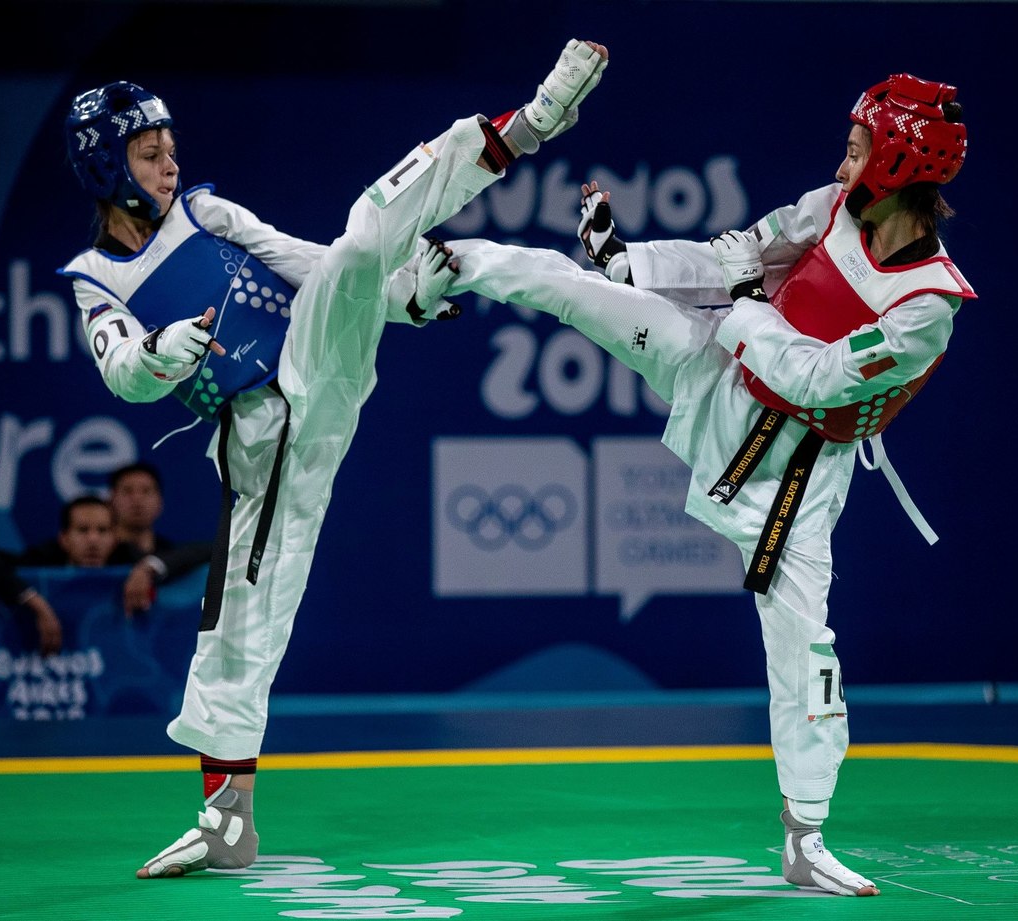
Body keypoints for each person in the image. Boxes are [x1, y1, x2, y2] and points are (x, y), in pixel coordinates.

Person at [57, 39, 609, 878]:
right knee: (241, 620)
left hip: (309, 366)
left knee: (357, 248)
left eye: (170, 145)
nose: (170, 161)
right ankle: (226, 818)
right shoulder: (95, 277)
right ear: (107, 167)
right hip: (256, 439)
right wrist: (163, 351)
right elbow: (123, 370)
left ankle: (529, 123)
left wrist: (400, 299)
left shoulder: (206, 213)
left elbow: (310, 265)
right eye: (149, 150)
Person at [438, 73, 973, 896]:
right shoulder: (830, 209)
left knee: (807, 656)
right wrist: (629, 262)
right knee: (572, 290)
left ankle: (806, 836)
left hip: (794, 478)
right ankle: (440, 262)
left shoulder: (928, 303)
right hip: (714, 370)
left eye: (859, 148)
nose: (843, 163)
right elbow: (734, 260)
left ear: (899, 164)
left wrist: (753, 302)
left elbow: (821, 379)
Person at [0, 495, 142, 656]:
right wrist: (36, 603)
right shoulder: (44, 560)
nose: (93, 540)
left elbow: (167, 560)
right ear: (64, 539)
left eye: (102, 531)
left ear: (114, 539)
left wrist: (147, 571)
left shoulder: (130, 559)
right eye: (83, 530)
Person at [108, 461, 211, 615]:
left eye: (146, 491)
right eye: (127, 491)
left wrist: (151, 567)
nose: (137, 499)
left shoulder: (171, 555)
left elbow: (215, 550)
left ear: (160, 502)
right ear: (111, 500)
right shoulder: (99, 554)